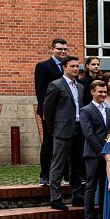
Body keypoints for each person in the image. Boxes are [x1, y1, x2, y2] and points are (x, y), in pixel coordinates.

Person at [43, 56, 85, 211]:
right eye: (72, 66)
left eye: (77, 66)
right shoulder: (56, 85)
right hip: (62, 130)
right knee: (58, 164)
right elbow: (48, 110)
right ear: (64, 67)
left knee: (76, 165)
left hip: (78, 128)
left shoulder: (79, 87)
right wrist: (53, 129)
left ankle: (77, 195)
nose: (76, 69)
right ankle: (55, 197)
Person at [79, 80, 110, 219]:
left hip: (107, 156)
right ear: (92, 92)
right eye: (100, 91)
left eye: (105, 91)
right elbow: (88, 134)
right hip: (93, 154)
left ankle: (102, 218)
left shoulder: (109, 111)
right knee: (91, 187)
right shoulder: (85, 110)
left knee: (104, 187)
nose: (103, 94)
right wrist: (102, 151)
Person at [35, 38, 69, 186]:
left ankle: (66, 175)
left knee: (67, 143)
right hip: (50, 112)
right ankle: (45, 175)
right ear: (53, 49)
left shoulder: (68, 66)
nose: (62, 51)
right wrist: (44, 111)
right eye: (59, 49)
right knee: (49, 143)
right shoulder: (44, 67)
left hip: (66, 112)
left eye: (64, 49)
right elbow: (40, 91)